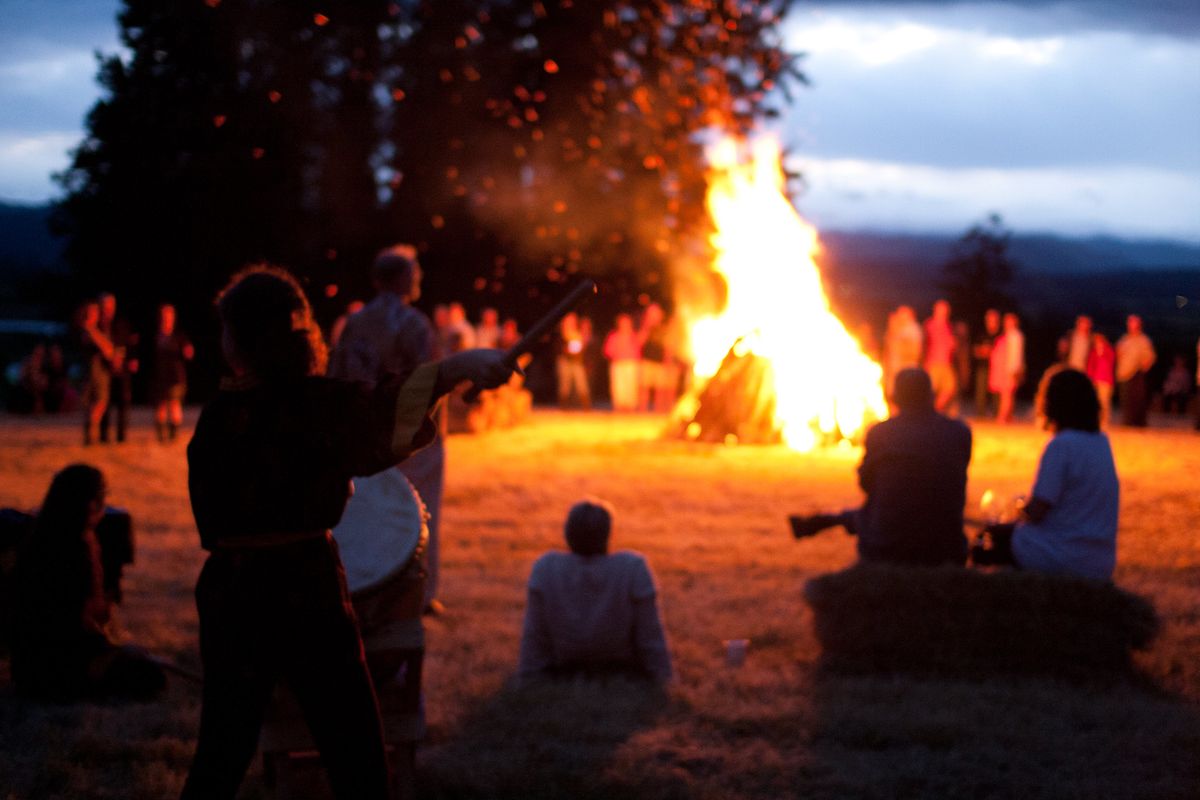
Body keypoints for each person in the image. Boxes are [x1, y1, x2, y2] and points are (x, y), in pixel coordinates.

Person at [182, 265, 512, 799]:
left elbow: (220, 513)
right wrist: (457, 369)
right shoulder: (314, 406)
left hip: (234, 595)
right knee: (353, 749)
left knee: (223, 748)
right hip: (306, 589)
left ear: (245, 338)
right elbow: (385, 408)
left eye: (227, 329)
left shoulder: (223, 415)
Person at [328, 244, 448, 615]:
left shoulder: (355, 322)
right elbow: (428, 382)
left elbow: (337, 378)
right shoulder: (414, 324)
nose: (419, 278)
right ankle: (419, 593)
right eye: (414, 271)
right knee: (420, 513)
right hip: (408, 437)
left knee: (367, 514)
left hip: (362, 434)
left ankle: (361, 585)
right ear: (401, 277)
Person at [10, 464, 165, 701]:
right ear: (87, 503)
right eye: (100, 496)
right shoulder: (68, 550)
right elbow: (71, 626)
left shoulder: (49, 535)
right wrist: (113, 651)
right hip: (54, 666)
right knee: (149, 676)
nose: (102, 504)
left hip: (29, 666)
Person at [788, 368, 972, 566]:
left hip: (886, 545)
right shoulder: (959, 432)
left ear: (896, 399)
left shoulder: (881, 433)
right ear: (931, 396)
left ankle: (822, 521)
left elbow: (866, 484)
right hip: (946, 548)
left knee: (872, 514)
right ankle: (824, 521)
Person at [974, 369, 1119, 581]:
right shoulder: (1101, 442)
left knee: (988, 540)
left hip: (1062, 555)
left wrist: (1017, 509)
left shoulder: (1061, 445)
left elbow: (1038, 510)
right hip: (1100, 560)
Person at [518, 499, 672, 683]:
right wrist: (664, 678)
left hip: (563, 669)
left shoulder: (546, 567)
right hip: (620, 671)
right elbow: (651, 634)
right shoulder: (633, 568)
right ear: (607, 534)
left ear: (567, 533)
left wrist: (528, 676)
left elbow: (534, 634)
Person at [148, 303, 194, 442]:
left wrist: (188, 350)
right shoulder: (155, 335)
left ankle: (173, 435)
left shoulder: (179, 336)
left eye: (169, 315)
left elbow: (189, 353)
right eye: (164, 315)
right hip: (159, 375)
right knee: (161, 405)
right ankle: (161, 436)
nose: (166, 318)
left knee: (174, 404)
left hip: (175, 376)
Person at [97, 292, 138, 443]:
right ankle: (103, 436)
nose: (108, 309)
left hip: (122, 370)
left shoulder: (121, 324)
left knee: (123, 403)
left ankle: (121, 436)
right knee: (104, 403)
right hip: (104, 370)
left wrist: (132, 359)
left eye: (111, 305)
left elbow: (130, 343)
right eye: (105, 305)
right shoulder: (98, 325)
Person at [78, 299, 115, 445]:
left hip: (101, 370)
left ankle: (91, 432)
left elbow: (109, 350)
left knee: (100, 402)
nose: (94, 315)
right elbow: (106, 349)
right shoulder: (86, 330)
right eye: (91, 312)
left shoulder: (97, 329)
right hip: (91, 370)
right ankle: (90, 433)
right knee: (95, 401)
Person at [1115, 314, 1156, 427]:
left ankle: (1138, 422)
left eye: (1133, 323)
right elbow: (1118, 354)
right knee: (1126, 400)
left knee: (1138, 399)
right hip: (1124, 374)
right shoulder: (1124, 339)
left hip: (1137, 374)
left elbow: (1150, 357)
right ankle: (1127, 421)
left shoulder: (1143, 340)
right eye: (1130, 323)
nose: (1131, 325)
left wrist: (1144, 365)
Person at [922, 299, 958, 415]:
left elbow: (950, 342)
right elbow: (925, 343)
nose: (945, 312)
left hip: (947, 362)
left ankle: (935, 411)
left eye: (946, 309)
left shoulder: (948, 325)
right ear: (936, 310)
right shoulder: (929, 324)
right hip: (934, 362)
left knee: (950, 388)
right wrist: (925, 361)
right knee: (931, 390)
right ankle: (929, 413)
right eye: (942, 309)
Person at [990, 312, 1025, 423]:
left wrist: (1014, 370)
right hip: (1004, 368)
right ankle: (1008, 416)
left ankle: (1002, 416)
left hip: (1010, 368)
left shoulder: (1015, 336)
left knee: (1007, 394)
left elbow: (1016, 354)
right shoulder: (1006, 335)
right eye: (1006, 321)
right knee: (1007, 393)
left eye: (1010, 321)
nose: (1007, 323)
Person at [604, 313, 642, 412]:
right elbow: (607, 350)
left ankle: (631, 407)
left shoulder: (633, 335)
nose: (625, 324)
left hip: (631, 364)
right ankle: (619, 407)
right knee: (618, 386)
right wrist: (614, 355)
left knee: (631, 386)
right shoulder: (613, 336)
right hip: (618, 364)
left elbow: (639, 348)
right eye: (622, 322)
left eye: (626, 322)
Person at [556, 311, 591, 409]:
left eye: (573, 320)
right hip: (564, 361)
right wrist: (565, 350)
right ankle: (563, 406)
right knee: (565, 384)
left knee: (581, 383)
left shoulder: (579, 334)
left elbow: (584, 348)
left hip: (577, 361)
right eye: (569, 320)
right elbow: (557, 348)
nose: (571, 322)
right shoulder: (560, 334)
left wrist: (582, 347)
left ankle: (586, 406)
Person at [971, 308, 1001, 417]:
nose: (991, 321)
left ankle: (997, 413)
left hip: (997, 368)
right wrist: (984, 352)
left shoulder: (1000, 334)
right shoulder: (981, 334)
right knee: (981, 390)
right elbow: (975, 351)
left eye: (994, 318)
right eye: (989, 318)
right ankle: (980, 413)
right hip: (983, 366)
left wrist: (989, 351)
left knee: (996, 392)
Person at [1086, 332, 1116, 427]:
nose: (1098, 343)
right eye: (1096, 341)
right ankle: (1096, 420)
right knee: (1095, 402)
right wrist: (1090, 379)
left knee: (1104, 401)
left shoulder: (1109, 351)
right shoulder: (1093, 352)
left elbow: (1111, 363)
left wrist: (1102, 353)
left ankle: (1105, 421)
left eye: (1099, 341)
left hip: (1106, 380)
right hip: (1095, 380)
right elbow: (1090, 366)